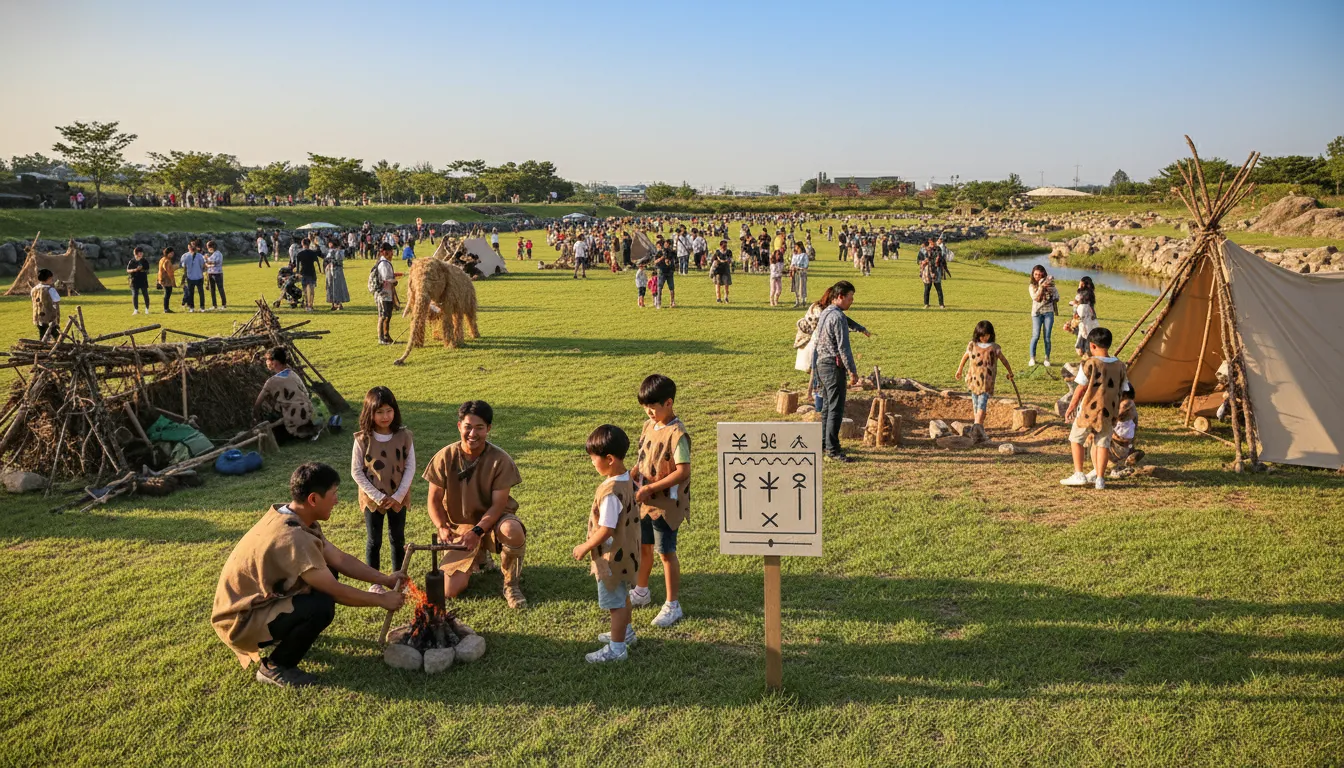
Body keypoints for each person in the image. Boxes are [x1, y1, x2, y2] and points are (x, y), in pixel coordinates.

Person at [210, 462, 406, 688]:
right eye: (334, 494)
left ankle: (286, 634)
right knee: (321, 605)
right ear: (313, 499)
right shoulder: (294, 537)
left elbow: (339, 558)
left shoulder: (294, 516)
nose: (337, 501)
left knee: (327, 571)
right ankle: (275, 666)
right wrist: (381, 600)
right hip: (240, 621)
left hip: (251, 607)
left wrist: (383, 579)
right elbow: (335, 591)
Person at [422, 400, 528, 609]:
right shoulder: (444, 457)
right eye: (468, 427)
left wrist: (477, 532)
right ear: (459, 426)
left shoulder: (500, 460)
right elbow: (434, 500)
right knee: (450, 590)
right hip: (460, 527)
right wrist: (442, 526)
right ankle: (479, 557)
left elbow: (498, 506)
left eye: (479, 428)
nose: (473, 433)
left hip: (493, 522)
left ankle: (511, 585)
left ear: (488, 428)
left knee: (512, 530)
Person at [572, 424, 640, 663]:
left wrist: (585, 547)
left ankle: (617, 648)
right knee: (624, 596)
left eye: (594, 458)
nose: (592, 463)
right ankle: (626, 633)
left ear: (609, 459)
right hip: (628, 552)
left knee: (615, 604)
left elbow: (606, 529)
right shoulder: (626, 478)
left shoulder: (611, 492)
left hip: (612, 558)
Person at [631, 374, 689, 628]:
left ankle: (672, 605)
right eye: (645, 407)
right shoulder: (648, 426)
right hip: (645, 502)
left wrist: (651, 487)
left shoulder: (678, 434)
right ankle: (641, 590)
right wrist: (632, 474)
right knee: (644, 546)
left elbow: (682, 471)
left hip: (666, 506)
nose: (649, 412)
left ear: (669, 403)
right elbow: (643, 457)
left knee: (666, 553)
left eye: (653, 407)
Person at [351, 386, 415, 584]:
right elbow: (356, 471)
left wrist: (397, 496)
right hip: (372, 500)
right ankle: (375, 583)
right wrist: (378, 496)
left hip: (398, 498)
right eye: (379, 412)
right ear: (370, 413)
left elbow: (410, 467)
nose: (385, 416)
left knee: (398, 539)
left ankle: (399, 581)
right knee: (374, 541)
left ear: (395, 411)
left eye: (389, 411)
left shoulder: (404, 436)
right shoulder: (362, 438)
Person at [810, 281, 872, 462]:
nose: (852, 301)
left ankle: (824, 444)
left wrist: (860, 328)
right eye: (850, 298)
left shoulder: (826, 312)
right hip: (833, 366)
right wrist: (852, 371)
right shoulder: (837, 317)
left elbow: (846, 320)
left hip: (821, 364)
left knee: (827, 407)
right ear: (840, 297)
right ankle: (833, 450)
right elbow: (844, 348)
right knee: (835, 409)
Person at [1061, 327, 1128, 490]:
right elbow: (1124, 388)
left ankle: (1079, 474)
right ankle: (1100, 479)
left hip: (1088, 412)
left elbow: (1080, 388)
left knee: (1076, 439)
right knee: (1102, 443)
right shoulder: (1120, 365)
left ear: (1092, 345)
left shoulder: (1089, 363)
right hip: (1109, 411)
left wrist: (1071, 406)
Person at [253, 346, 322, 441]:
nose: (266, 362)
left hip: (293, 423)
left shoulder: (271, 382)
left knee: (270, 425)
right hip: (309, 416)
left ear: (274, 362)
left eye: (267, 360)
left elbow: (257, 405)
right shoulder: (293, 374)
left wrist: (256, 419)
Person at [954, 320, 1015, 428]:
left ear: (991, 334)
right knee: (976, 406)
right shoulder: (972, 345)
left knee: (981, 405)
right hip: (973, 381)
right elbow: (965, 356)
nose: (984, 338)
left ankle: (977, 427)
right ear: (977, 335)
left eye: (987, 335)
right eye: (982, 336)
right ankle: (978, 426)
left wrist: (1010, 372)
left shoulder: (994, 348)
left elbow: (1004, 360)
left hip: (987, 383)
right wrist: (959, 369)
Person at [1028, 265, 1059, 366]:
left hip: (1048, 312)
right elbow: (1036, 298)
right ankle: (1032, 358)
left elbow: (1057, 297)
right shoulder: (1032, 286)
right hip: (1036, 313)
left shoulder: (1050, 285)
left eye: (1040, 275)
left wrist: (1051, 291)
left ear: (1044, 275)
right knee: (1035, 336)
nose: (1037, 276)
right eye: (1036, 274)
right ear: (1033, 275)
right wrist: (1041, 287)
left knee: (1047, 337)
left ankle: (1047, 358)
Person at [373, 243, 398, 344]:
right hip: (383, 294)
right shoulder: (383, 264)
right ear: (385, 252)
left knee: (388, 315)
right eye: (391, 252)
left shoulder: (386, 262)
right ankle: (381, 338)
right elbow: (386, 279)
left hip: (388, 293)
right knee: (383, 316)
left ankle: (386, 335)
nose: (392, 254)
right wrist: (394, 281)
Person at [1070, 276, 1098, 359]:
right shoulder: (1091, 293)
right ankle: (1087, 356)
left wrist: (1074, 303)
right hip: (1089, 321)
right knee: (1084, 345)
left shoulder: (1081, 294)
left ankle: (1087, 358)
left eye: (1080, 282)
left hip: (1083, 322)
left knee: (1080, 349)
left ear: (1083, 284)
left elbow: (1077, 304)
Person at [30, 268, 60, 340]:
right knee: (56, 334)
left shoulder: (34, 289)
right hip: (50, 316)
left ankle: (43, 344)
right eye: (51, 278)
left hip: (38, 316)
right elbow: (57, 299)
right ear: (48, 278)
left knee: (42, 334)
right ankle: (58, 344)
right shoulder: (51, 289)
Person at [295, 238, 322, 312]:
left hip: (303, 273)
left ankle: (307, 304)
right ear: (309, 244)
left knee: (305, 290)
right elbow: (318, 263)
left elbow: (297, 266)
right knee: (312, 290)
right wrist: (320, 271)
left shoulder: (299, 254)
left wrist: (297, 273)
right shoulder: (313, 253)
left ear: (302, 244)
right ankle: (311, 305)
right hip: (312, 273)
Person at [918, 238, 946, 309]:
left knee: (938, 288)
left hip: (936, 270)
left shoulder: (938, 249)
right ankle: (926, 304)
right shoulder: (923, 250)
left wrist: (936, 261)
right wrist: (923, 262)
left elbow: (940, 259)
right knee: (927, 288)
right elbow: (918, 260)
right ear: (929, 242)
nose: (932, 243)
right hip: (927, 271)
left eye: (933, 242)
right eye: (931, 242)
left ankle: (941, 304)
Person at [180, 241, 207, 312]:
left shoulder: (187, 256)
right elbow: (203, 267)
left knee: (196, 293)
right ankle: (196, 307)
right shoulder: (187, 256)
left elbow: (183, 266)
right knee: (195, 293)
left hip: (195, 277)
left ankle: (197, 307)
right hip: (194, 277)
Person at [324, 238, 350, 311]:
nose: (328, 244)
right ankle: (334, 303)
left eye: (330, 243)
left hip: (336, 270)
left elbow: (337, 259)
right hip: (332, 270)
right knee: (332, 286)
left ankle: (338, 304)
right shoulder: (332, 251)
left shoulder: (338, 251)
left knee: (337, 286)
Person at [126, 246, 152, 315]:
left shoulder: (144, 261)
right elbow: (128, 270)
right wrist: (135, 270)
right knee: (135, 295)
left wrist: (142, 269)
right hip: (134, 280)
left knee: (145, 294)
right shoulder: (132, 261)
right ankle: (136, 310)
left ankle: (147, 309)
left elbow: (147, 269)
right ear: (136, 253)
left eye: (142, 252)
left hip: (143, 279)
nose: (141, 254)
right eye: (140, 253)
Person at [205, 240, 227, 311]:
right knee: (212, 290)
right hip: (211, 273)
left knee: (220, 289)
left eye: (208, 247)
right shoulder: (213, 254)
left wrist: (207, 260)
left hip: (217, 274)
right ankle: (214, 305)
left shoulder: (218, 254)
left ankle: (224, 304)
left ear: (212, 247)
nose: (208, 249)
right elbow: (208, 263)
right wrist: (207, 262)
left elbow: (216, 262)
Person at [654, 240, 676, 307]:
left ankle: (672, 302)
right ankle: (658, 302)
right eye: (666, 244)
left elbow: (675, 261)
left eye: (669, 244)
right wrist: (662, 258)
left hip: (669, 272)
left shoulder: (672, 252)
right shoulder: (660, 252)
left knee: (671, 288)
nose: (667, 246)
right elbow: (655, 262)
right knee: (659, 287)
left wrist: (670, 262)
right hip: (662, 272)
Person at [710, 239, 733, 304]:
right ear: (720, 246)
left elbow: (730, 260)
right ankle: (718, 298)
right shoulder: (717, 252)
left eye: (726, 246)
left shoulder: (729, 252)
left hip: (725, 270)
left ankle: (726, 298)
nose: (725, 247)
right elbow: (713, 260)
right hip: (718, 270)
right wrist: (718, 261)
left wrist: (727, 261)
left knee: (726, 284)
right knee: (718, 284)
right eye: (723, 246)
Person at [789, 241, 810, 307]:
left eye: (797, 247)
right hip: (795, 272)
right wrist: (792, 267)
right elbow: (792, 263)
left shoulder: (804, 255)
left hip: (802, 273)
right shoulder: (794, 255)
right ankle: (797, 300)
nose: (796, 249)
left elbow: (806, 265)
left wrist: (799, 267)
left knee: (802, 286)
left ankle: (803, 300)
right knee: (796, 286)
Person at [157, 247, 177, 313]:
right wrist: (173, 281)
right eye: (171, 253)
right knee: (167, 294)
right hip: (166, 279)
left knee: (167, 294)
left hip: (161, 278)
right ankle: (166, 309)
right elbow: (169, 272)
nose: (172, 254)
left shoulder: (162, 259)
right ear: (168, 253)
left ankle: (166, 308)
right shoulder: (167, 261)